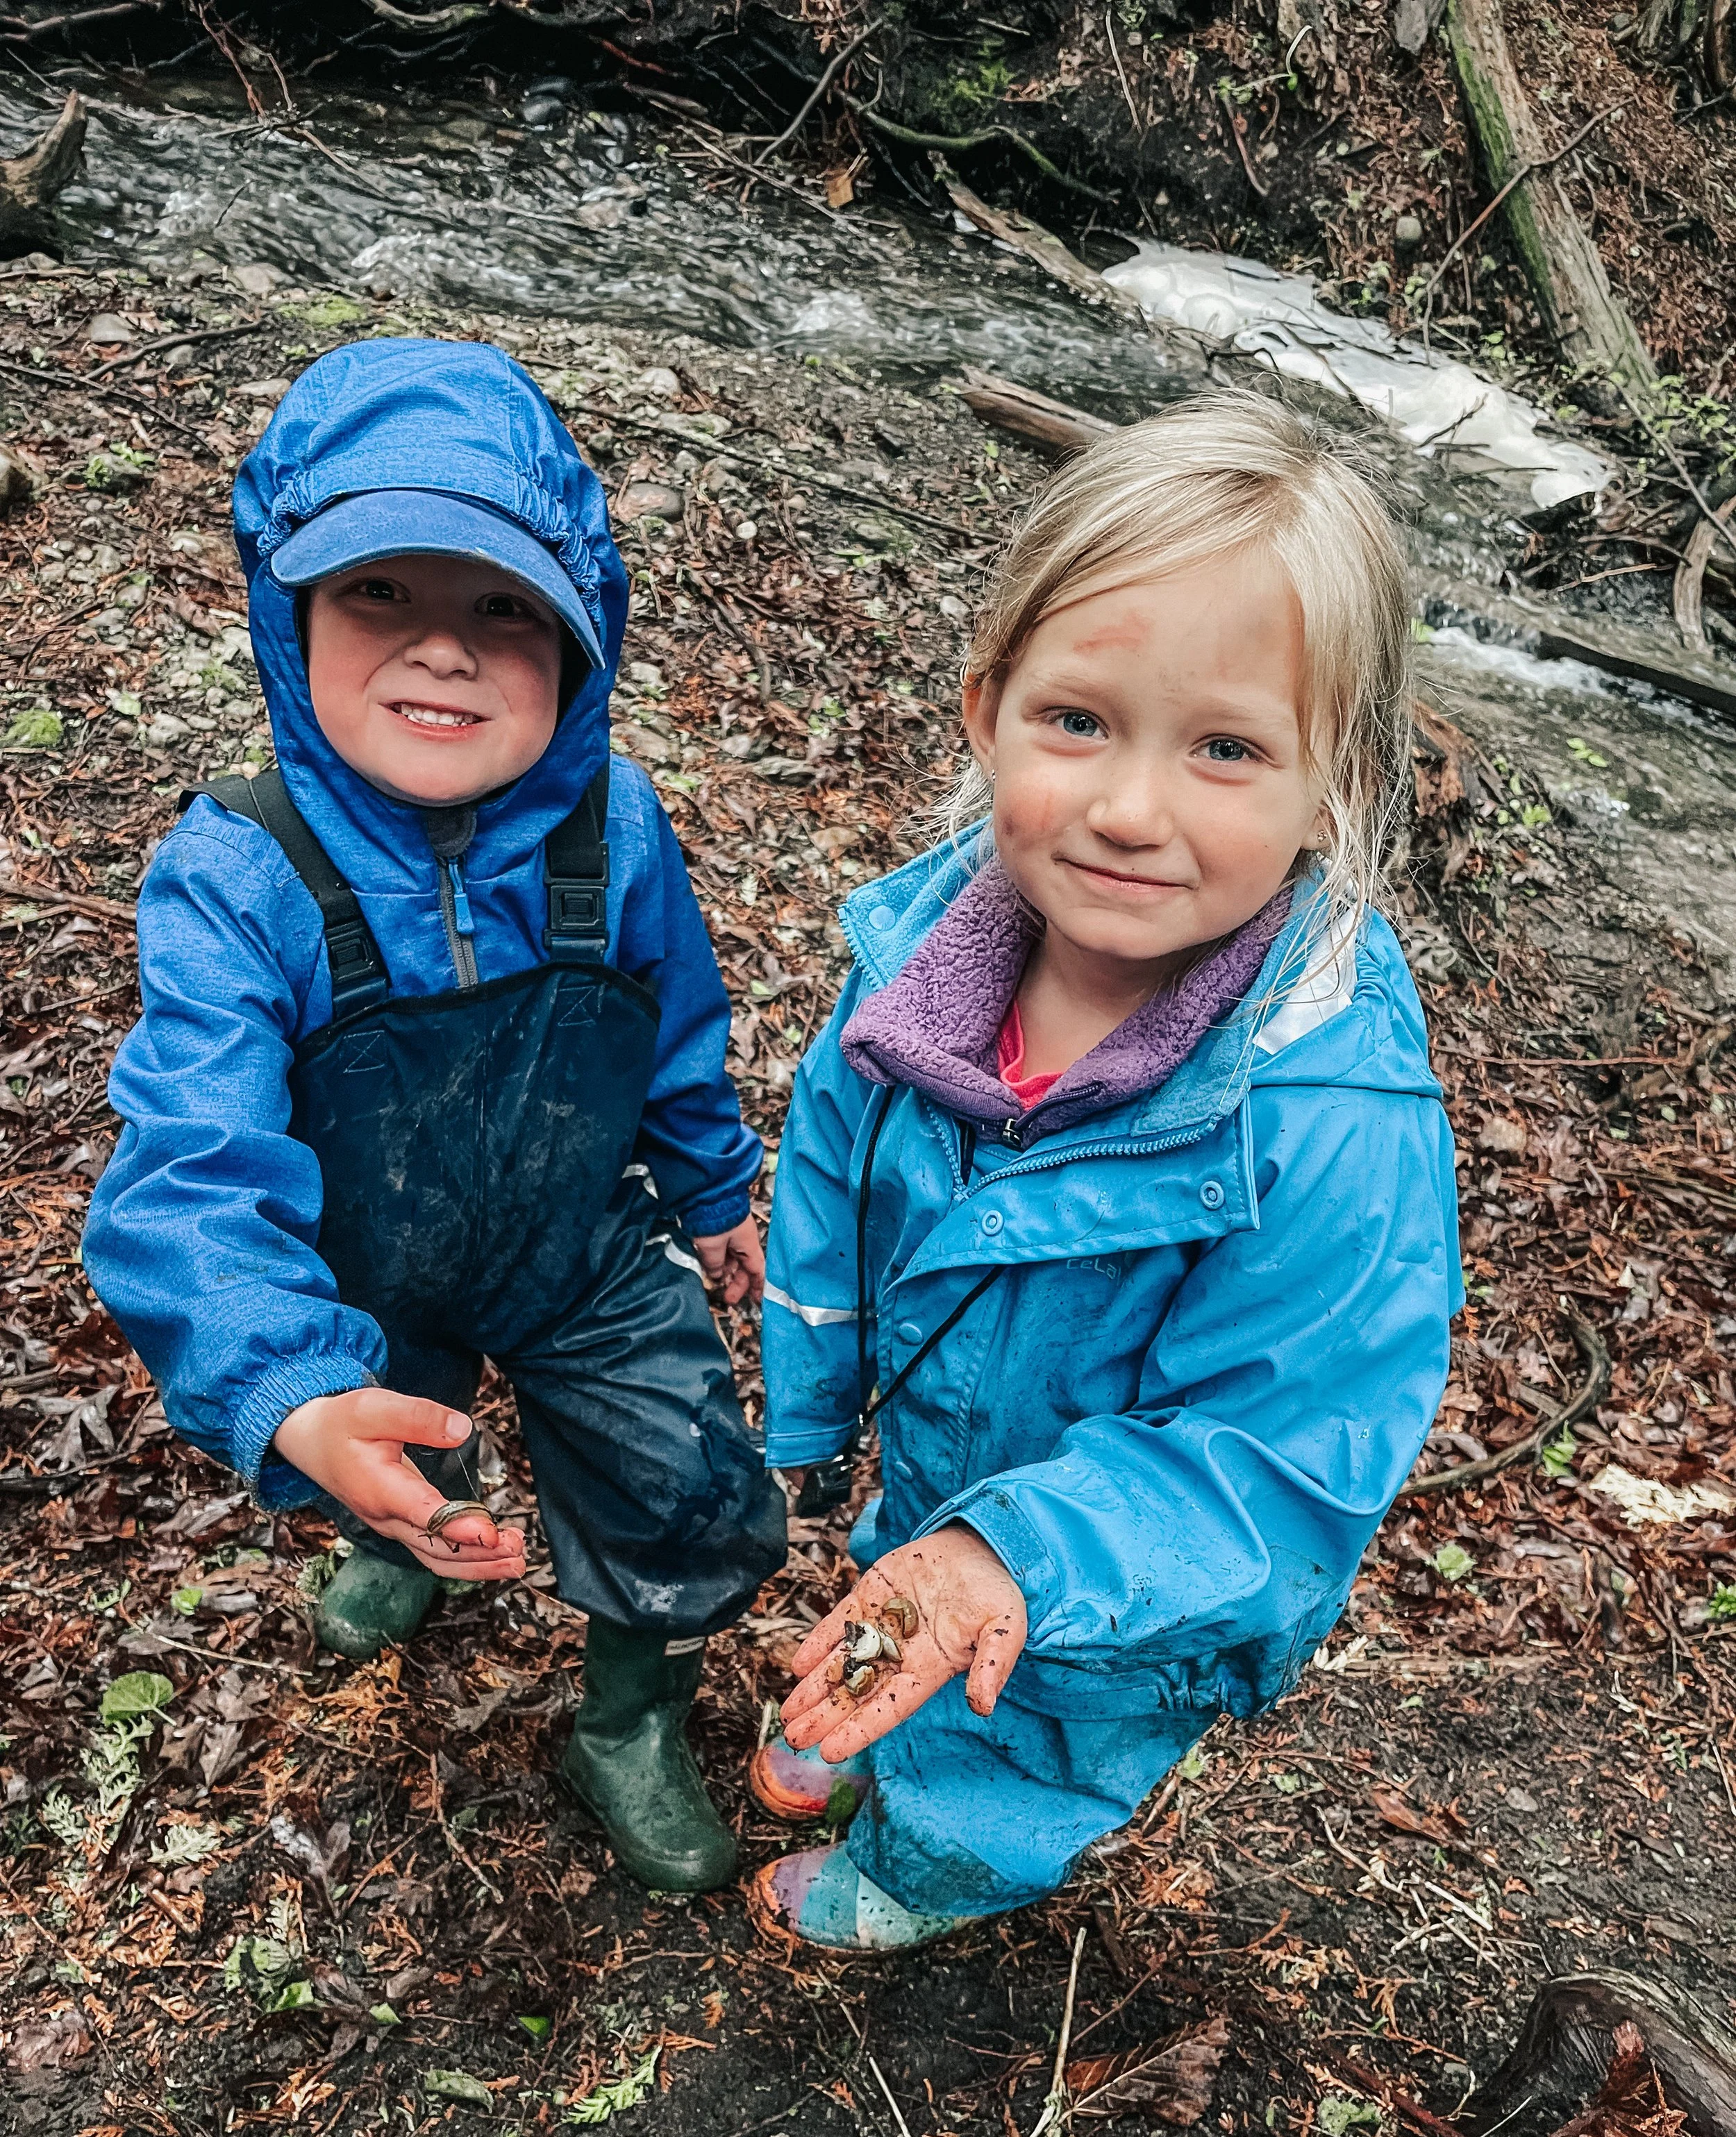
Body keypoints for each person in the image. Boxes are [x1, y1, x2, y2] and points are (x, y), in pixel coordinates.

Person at [747, 391, 1460, 1950]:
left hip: (1119, 1594)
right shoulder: (920, 962)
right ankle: (871, 1694)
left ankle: (920, 1871)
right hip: (930, 1462)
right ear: (985, 710)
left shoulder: (1329, 1122)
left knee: (1018, 1739)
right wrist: (805, 1409)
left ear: (1329, 785)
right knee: (911, 1584)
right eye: (1078, 722)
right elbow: (825, 1171)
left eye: (1222, 749)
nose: (1129, 811)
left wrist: (1018, 1550)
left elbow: (1276, 1462)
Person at [83, 338, 786, 1894]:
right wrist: (289, 1390)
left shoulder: (619, 825)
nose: (444, 651)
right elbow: (188, 1170)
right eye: (380, 596)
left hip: (577, 1246)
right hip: (364, 1263)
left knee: (681, 1471)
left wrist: (715, 1182)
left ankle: (626, 1711)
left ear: (581, 637)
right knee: (391, 1426)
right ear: (292, 620)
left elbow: (673, 1025)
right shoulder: (238, 873)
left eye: (501, 608)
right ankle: (400, 1528)